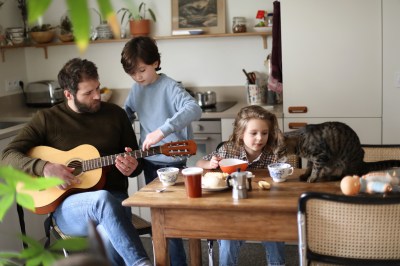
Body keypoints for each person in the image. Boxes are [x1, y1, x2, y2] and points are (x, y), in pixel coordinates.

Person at [1, 58, 152, 266]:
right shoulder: (47, 119)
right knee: (101, 199)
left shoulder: (116, 115)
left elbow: (137, 164)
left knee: (108, 237)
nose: (97, 96)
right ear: (68, 94)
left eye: (98, 88)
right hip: (68, 208)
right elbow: (7, 156)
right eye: (88, 93)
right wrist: (44, 167)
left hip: (116, 201)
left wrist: (133, 167)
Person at [121, 36, 202, 266]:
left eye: (142, 70)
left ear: (155, 62)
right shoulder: (137, 89)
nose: (138, 76)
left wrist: (162, 130)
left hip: (171, 165)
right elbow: (125, 114)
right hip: (148, 162)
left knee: (170, 225)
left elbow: (193, 108)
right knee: (159, 223)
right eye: (132, 73)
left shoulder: (170, 87)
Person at [196, 105, 286, 266]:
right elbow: (199, 162)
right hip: (232, 213)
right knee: (228, 241)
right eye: (253, 133)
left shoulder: (273, 153)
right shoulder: (228, 150)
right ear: (240, 133)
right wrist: (210, 163)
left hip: (265, 211)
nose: (260, 138)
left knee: (276, 236)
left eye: (264, 133)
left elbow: (283, 175)